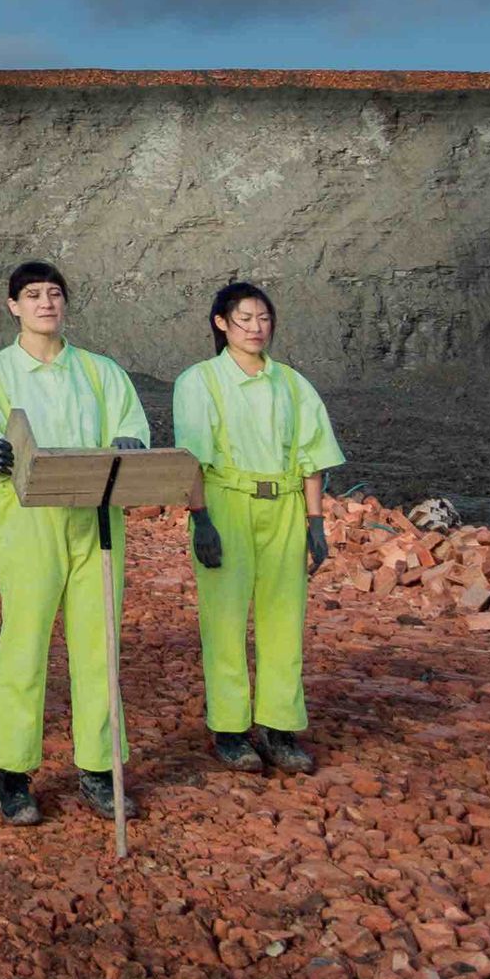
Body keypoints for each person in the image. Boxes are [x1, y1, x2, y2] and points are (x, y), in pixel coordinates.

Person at [0, 260, 151, 827]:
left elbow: (133, 429)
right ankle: (12, 772)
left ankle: (99, 767)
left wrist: (128, 442)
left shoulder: (100, 372)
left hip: (95, 518)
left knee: (100, 643)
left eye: (54, 294)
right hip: (28, 520)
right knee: (25, 640)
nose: (46, 303)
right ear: (13, 306)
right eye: (33, 295)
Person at [171, 280, 345, 777]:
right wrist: (201, 518)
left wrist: (315, 522)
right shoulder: (199, 381)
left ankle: (279, 726)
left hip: (285, 503)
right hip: (226, 501)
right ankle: (229, 729)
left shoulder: (292, 383)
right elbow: (193, 458)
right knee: (224, 617)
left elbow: (313, 454)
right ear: (220, 323)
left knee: (284, 617)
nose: (255, 327)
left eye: (263, 318)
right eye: (243, 318)